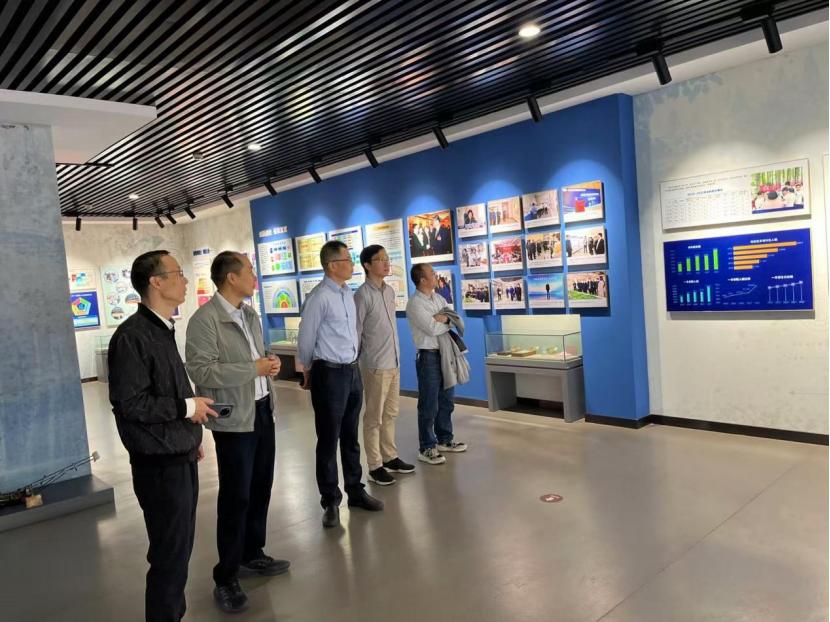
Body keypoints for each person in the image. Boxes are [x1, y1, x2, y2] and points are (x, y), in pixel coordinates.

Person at [108, 250, 218, 622]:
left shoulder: (161, 329)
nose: (185, 280)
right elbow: (131, 404)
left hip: (177, 454)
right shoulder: (132, 336)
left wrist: (189, 435)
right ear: (156, 282)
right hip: (158, 465)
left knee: (178, 549)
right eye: (177, 273)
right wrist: (187, 409)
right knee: (169, 554)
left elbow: (167, 390)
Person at [185, 251, 288, 614]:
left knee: (261, 486)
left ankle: (252, 553)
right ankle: (226, 576)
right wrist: (252, 368)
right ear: (231, 277)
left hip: (262, 410)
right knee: (236, 497)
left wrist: (269, 364)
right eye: (250, 271)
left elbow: (257, 358)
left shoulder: (250, 314)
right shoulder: (205, 320)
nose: (254, 276)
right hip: (234, 420)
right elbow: (202, 371)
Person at [297, 240, 383, 528]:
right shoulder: (319, 297)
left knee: (350, 436)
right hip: (329, 373)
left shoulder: (347, 293)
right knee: (328, 439)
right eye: (347, 259)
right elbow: (306, 337)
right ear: (333, 265)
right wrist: (307, 370)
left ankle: (355, 490)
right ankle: (331, 501)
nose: (352, 264)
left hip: (351, 371)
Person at [353, 245, 415, 487]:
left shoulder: (389, 291)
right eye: (380, 259)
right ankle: (375, 465)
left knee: (390, 413)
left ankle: (390, 457)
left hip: (394, 361)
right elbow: (356, 331)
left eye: (387, 258)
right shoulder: (362, 295)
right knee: (374, 417)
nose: (386, 263)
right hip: (375, 364)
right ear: (367, 265)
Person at [405, 263, 468, 465]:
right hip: (428, 357)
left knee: (447, 400)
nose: (436, 275)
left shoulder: (439, 298)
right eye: (432, 273)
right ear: (422, 279)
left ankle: (445, 439)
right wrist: (442, 321)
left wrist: (443, 319)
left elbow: (453, 319)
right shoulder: (415, 304)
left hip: (445, 354)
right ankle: (427, 447)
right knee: (429, 404)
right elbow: (432, 329)